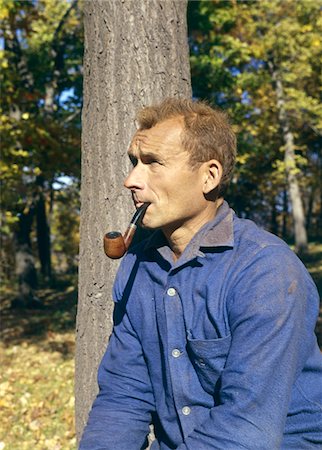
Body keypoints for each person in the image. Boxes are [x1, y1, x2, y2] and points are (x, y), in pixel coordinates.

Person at [79, 98, 322, 449]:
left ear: (209, 176)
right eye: (135, 162)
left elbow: (246, 427)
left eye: (153, 163)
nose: (130, 180)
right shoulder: (138, 265)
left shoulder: (266, 270)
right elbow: (124, 396)